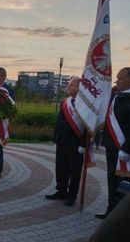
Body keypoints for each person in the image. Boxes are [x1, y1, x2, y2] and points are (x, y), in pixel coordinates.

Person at [95, 67, 130, 219]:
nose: (117, 81)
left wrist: (127, 149)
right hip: (112, 147)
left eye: (120, 79)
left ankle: (122, 217)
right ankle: (111, 211)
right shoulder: (116, 96)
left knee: (124, 183)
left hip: (125, 150)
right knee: (112, 180)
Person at [45, 77, 84, 206]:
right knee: (61, 168)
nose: (69, 87)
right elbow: (60, 121)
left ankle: (72, 195)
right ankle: (61, 191)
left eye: (71, 85)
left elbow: (87, 127)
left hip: (76, 143)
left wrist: (84, 144)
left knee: (74, 170)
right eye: (69, 85)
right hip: (62, 141)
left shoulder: (85, 104)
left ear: (79, 87)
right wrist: (56, 136)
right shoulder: (66, 102)